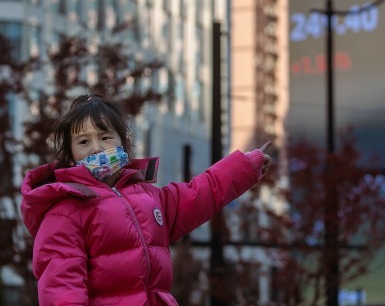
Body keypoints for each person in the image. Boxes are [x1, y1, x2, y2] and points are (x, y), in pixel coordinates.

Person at [20, 94, 272, 306]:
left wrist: (246, 165)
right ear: (71, 155)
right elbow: (62, 290)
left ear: (123, 142)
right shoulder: (64, 210)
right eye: (84, 141)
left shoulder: (146, 196)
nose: (96, 148)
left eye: (105, 137)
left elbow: (199, 194)